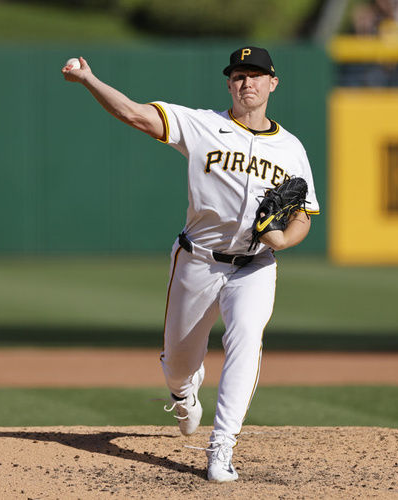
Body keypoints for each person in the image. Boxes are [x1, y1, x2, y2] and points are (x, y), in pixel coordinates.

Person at [62, 46, 320, 482]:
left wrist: (284, 239)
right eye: (239, 75)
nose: (247, 82)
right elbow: (134, 114)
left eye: (256, 74)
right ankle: (183, 392)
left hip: (255, 266)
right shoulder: (203, 125)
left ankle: (222, 447)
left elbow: (302, 217)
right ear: (229, 83)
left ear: (272, 83)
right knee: (178, 363)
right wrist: (90, 80)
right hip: (197, 261)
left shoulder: (292, 148)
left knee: (246, 341)